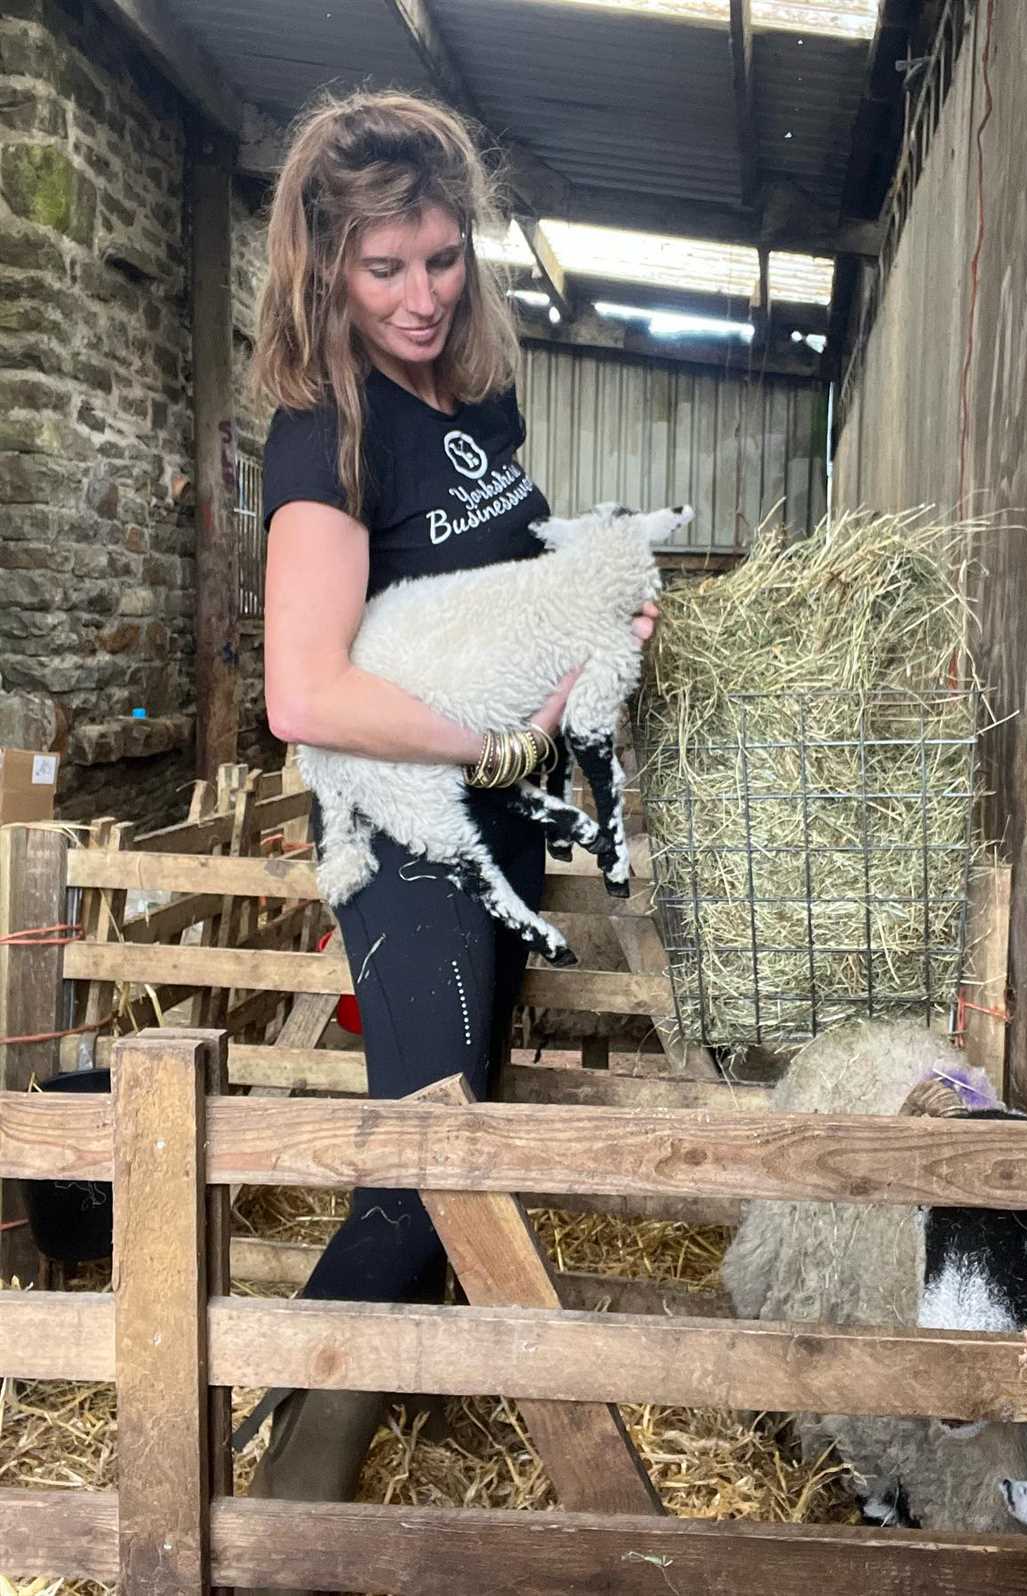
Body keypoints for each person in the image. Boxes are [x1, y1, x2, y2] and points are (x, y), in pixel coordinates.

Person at [239, 88, 657, 1559]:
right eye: (380, 268)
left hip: (500, 816)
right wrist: (490, 738)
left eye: (438, 260)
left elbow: (516, 576)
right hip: (415, 822)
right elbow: (305, 691)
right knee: (428, 1166)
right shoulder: (325, 436)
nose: (418, 299)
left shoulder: (477, 402)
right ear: (323, 269)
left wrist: (608, 597)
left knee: (448, 1141)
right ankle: (278, 1500)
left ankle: (352, 1423)